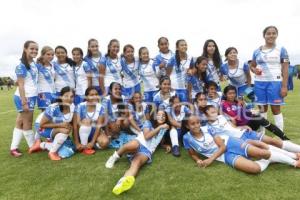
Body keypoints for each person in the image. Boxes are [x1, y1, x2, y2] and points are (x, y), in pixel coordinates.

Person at [183, 114, 300, 174]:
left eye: (198, 122)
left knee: (261, 152)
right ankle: (269, 159)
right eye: (193, 124)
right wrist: (197, 159)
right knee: (255, 169)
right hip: (224, 156)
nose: (197, 125)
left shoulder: (208, 128)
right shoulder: (186, 138)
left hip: (230, 143)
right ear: (187, 126)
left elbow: (222, 146)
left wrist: (210, 160)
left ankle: (294, 161)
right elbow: (191, 152)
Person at [105, 110, 170, 195]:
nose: (161, 117)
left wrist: (165, 146)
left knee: (136, 163)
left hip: (146, 151)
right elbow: (147, 137)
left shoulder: (163, 129)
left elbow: (157, 142)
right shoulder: (148, 123)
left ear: (166, 118)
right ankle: (114, 157)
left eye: (163, 115)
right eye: (158, 115)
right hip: (139, 142)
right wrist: (160, 128)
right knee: (134, 145)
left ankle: (121, 183)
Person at [204, 105, 300, 154]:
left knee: (272, 140)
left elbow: (233, 127)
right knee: (264, 146)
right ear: (206, 115)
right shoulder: (209, 128)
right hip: (240, 139)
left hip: (245, 132)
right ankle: (293, 155)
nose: (215, 114)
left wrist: (243, 127)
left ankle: (297, 149)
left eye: (215, 112)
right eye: (212, 113)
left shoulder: (221, 117)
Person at [249, 26, 289, 133]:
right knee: (262, 109)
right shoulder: (257, 51)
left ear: (276, 35)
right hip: (259, 83)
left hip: (275, 83)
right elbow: (252, 66)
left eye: (273, 33)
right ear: (264, 35)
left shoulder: (281, 49)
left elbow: (285, 69)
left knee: (276, 109)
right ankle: (262, 134)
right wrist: (254, 70)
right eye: (268, 33)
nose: (271, 35)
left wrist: (284, 87)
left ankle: (280, 135)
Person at [221, 85, 289, 140]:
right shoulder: (224, 104)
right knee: (260, 119)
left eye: (233, 93)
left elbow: (246, 112)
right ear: (225, 94)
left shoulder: (237, 102)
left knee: (260, 118)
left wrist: (249, 110)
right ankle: (283, 137)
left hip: (248, 122)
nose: (232, 95)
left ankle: (283, 137)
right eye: (229, 93)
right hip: (240, 126)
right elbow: (233, 115)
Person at [30, 86, 75, 161]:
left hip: (55, 127)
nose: (69, 98)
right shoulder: (53, 107)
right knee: (65, 130)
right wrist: (60, 125)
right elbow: (42, 124)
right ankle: (52, 152)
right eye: (66, 96)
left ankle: (42, 145)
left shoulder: (73, 106)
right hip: (41, 127)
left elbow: (73, 125)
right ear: (61, 97)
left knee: (70, 147)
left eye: (71, 96)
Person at [10, 41, 39, 157]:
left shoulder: (34, 64)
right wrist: (24, 101)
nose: (34, 51)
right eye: (32, 49)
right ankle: (32, 146)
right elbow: (20, 85)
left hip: (31, 96)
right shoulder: (21, 66)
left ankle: (13, 148)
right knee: (27, 122)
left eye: (36, 49)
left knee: (20, 122)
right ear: (25, 49)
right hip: (24, 97)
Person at [73, 87, 108, 154]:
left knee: (105, 142)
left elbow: (98, 126)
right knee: (87, 121)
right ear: (86, 97)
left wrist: (92, 142)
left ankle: (90, 145)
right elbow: (75, 126)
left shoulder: (101, 107)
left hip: (94, 132)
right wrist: (76, 143)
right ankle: (83, 146)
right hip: (81, 131)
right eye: (92, 95)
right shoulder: (80, 106)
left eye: (96, 94)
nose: (95, 96)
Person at [36, 46, 56, 110]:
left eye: (52, 55)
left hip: (53, 92)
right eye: (48, 54)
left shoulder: (53, 65)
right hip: (43, 92)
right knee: (45, 114)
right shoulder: (37, 66)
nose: (51, 56)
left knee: (53, 114)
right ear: (42, 55)